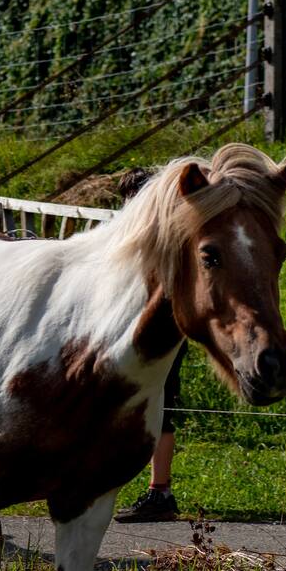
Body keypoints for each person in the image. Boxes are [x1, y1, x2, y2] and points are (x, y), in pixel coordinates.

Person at [113, 166, 184, 523]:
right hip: (156, 331)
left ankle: (160, 492)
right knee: (154, 407)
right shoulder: (163, 230)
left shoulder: (155, 235)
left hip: (158, 332)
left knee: (161, 409)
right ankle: (156, 490)